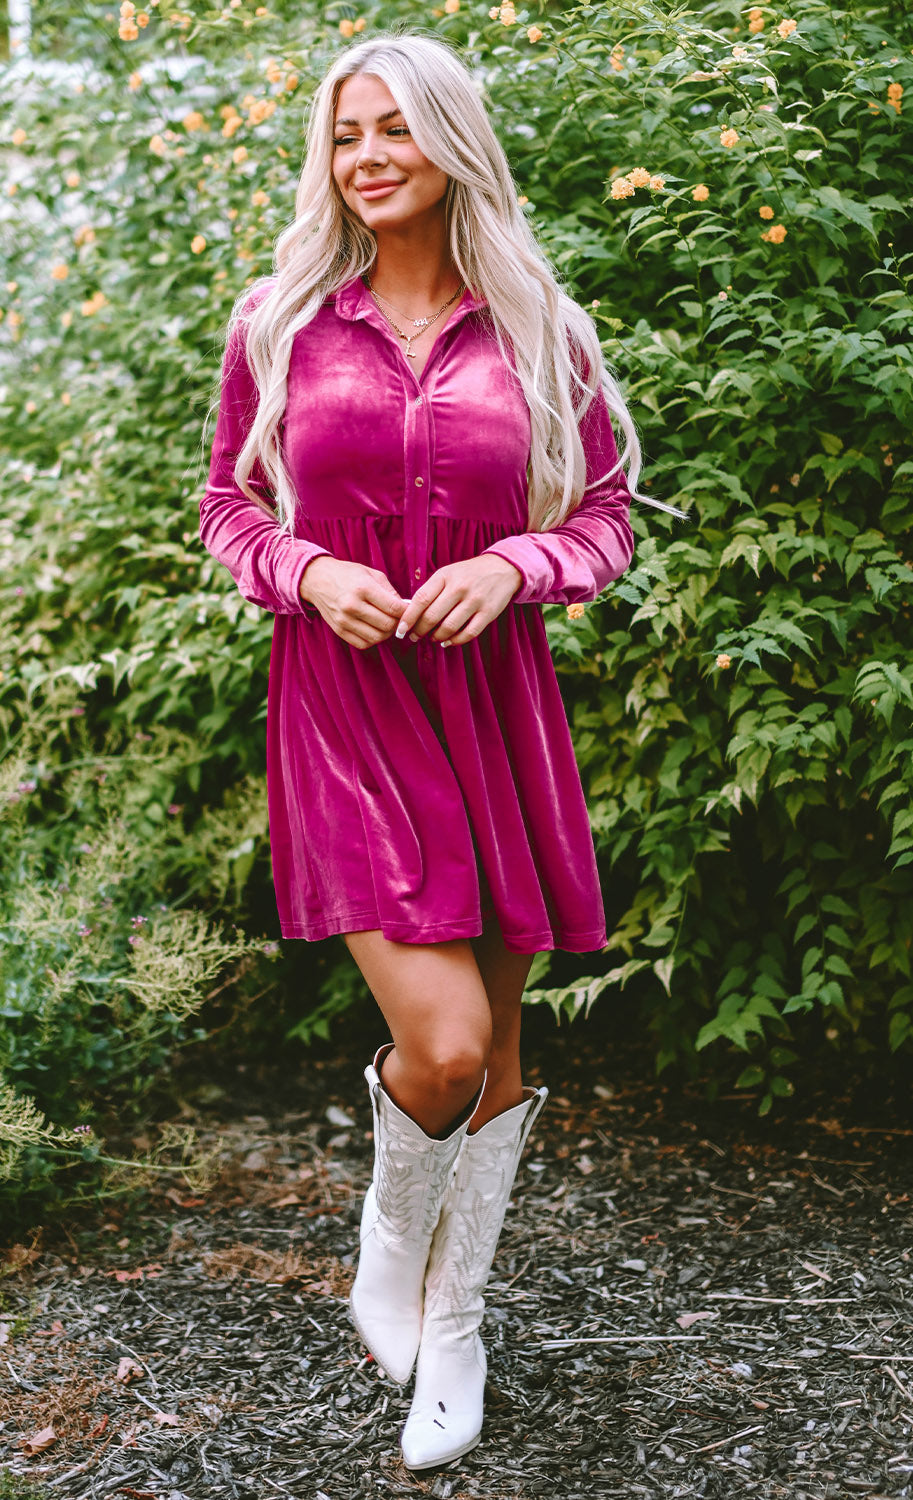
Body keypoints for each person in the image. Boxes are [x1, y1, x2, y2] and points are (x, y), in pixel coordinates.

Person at [201, 29, 676, 1471]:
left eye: (395, 128)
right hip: (344, 708)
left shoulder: (539, 327)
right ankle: (390, 1244)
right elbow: (229, 507)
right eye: (346, 133)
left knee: (502, 1051)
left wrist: (521, 561)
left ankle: (452, 1330)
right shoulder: (280, 322)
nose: (367, 156)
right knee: (448, 1043)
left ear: (450, 142)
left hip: (493, 708)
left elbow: (605, 516)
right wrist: (304, 571)